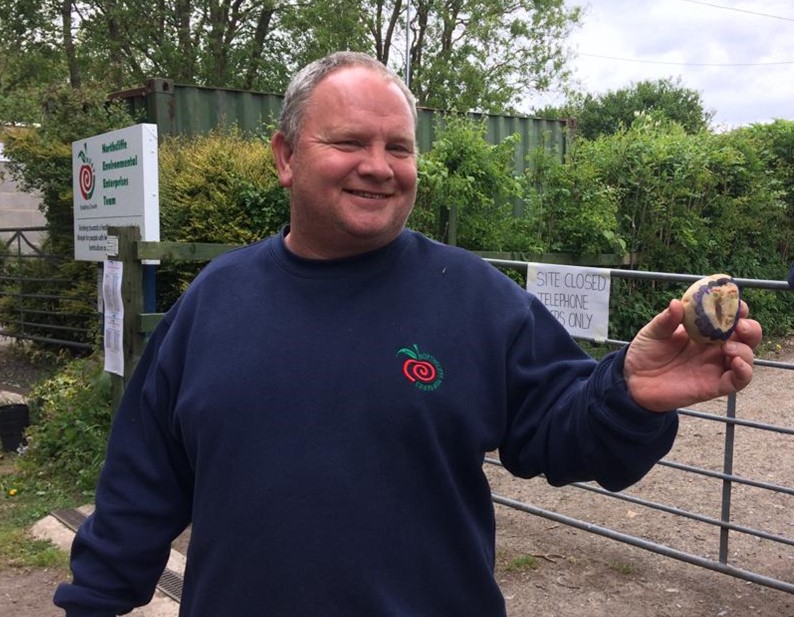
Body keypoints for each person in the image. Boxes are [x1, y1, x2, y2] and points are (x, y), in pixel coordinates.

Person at [54, 51, 762, 617]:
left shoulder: (476, 299)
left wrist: (633, 395)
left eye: (399, 146)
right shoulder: (214, 303)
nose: (379, 165)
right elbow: (142, 479)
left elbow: (565, 432)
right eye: (349, 141)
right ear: (285, 156)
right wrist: (95, 599)